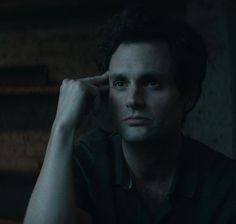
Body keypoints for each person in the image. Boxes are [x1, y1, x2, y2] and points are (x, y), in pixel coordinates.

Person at [23, 7, 236, 224]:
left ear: (188, 96)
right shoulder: (90, 160)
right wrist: (62, 126)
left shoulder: (224, 182)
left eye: (152, 83)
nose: (133, 99)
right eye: (120, 83)